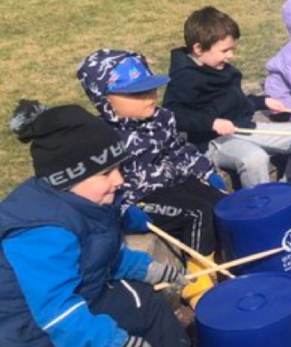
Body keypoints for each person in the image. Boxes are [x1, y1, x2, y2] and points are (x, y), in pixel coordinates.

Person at [2, 102, 191, 347]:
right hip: (32, 328)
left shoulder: (87, 201)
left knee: (146, 304)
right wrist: (115, 341)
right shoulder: (44, 231)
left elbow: (101, 253)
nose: (120, 179)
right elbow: (57, 313)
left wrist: (147, 268)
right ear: (68, 178)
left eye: (119, 168)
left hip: (81, 293)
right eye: (105, 173)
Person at [77, 49, 226, 308]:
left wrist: (206, 171)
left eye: (151, 89)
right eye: (136, 93)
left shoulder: (162, 118)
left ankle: (224, 261)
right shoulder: (103, 139)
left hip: (174, 181)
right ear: (105, 101)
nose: (150, 97)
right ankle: (197, 284)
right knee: (198, 213)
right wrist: (123, 210)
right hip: (140, 197)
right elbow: (100, 186)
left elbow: (179, 149)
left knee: (219, 202)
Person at [164, 6, 291, 188]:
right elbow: (173, 115)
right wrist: (212, 123)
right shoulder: (185, 77)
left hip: (242, 127)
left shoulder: (219, 67)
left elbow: (235, 102)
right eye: (225, 50)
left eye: (232, 49)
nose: (231, 56)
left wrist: (263, 101)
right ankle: (263, 207)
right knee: (254, 159)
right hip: (213, 142)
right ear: (198, 48)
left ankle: (288, 188)